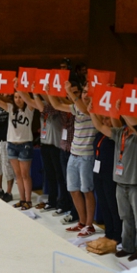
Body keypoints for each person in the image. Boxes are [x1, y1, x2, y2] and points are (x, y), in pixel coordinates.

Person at [88, 107, 137, 257]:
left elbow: (136, 128)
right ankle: (127, 246)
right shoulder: (120, 133)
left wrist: (122, 110)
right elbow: (100, 126)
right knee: (125, 217)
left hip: (135, 182)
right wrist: (91, 111)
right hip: (120, 182)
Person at [47, 81, 98, 239]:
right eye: (84, 92)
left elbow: (84, 108)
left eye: (89, 93)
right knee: (73, 189)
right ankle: (82, 222)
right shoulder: (77, 107)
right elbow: (56, 105)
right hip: (73, 153)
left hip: (86, 155)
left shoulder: (94, 110)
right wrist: (48, 91)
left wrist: (70, 92)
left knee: (87, 190)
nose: (85, 95)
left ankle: (89, 225)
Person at [0, 88, 40, 209]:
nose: (18, 100)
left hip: (25, 145)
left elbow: (31, 100)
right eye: (16, 97)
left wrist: (22, 90)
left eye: (20, 97)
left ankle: (28, 200)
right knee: (17, 175)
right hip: (11, 144)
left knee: (25, 174)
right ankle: (22, 200)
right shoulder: (10, 108)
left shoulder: (29, 108)